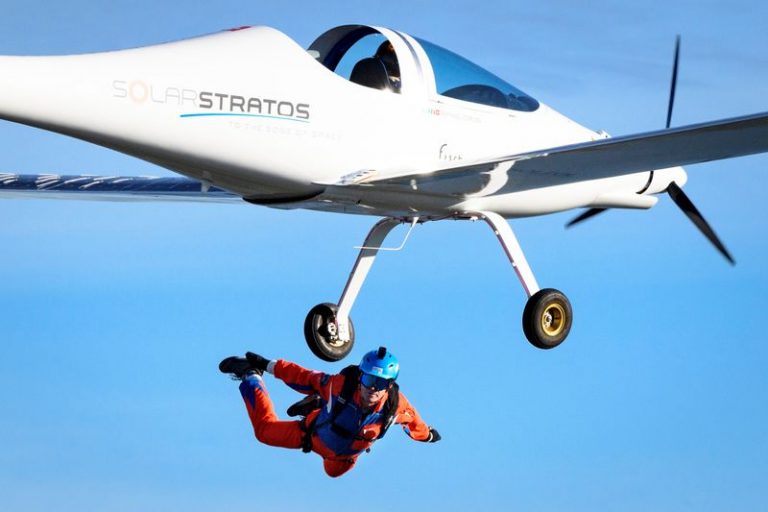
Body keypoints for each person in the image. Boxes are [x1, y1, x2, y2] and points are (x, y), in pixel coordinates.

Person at [219, 346, 440, 477]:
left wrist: (427, 435)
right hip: (310, 435)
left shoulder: (395, 407)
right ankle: (250, 376)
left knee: (332, 473)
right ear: (361, 376)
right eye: (368, 379)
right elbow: (304, 376)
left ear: (389, 385)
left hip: (343, 459)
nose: (372, 388)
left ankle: (319, 403)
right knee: (264, 432)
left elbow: (414, 422)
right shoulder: (340, 385)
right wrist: (267, 365)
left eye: (380, 384)